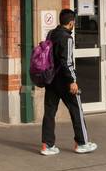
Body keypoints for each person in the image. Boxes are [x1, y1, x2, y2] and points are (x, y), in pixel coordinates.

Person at [40, 9, 97, 156]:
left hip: (50, 79)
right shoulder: (68, 38)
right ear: (71, 23)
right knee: (76, 109)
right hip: (64, 81)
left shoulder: (51, 34)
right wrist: (72, 81)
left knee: (49, 112)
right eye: (74, 22)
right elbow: (68, 62)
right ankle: (82, 143)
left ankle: (47, 145)